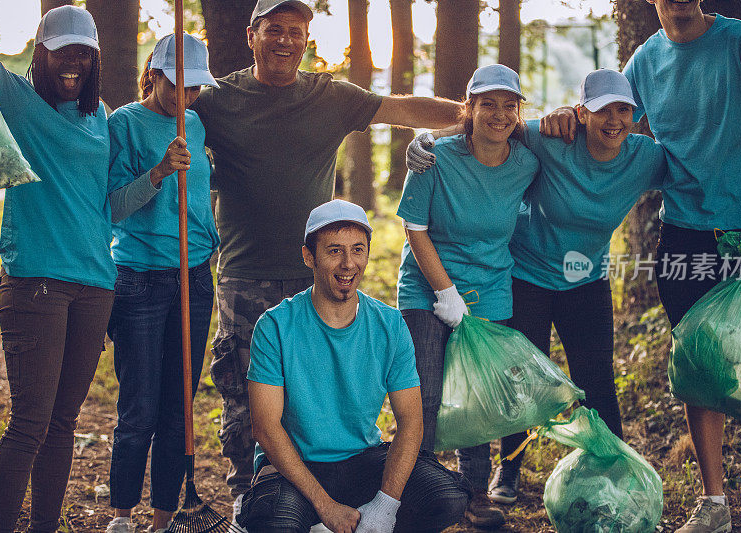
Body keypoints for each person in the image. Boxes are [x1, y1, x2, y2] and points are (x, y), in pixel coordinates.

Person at [190, 0, 465, 510]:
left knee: (315, 387)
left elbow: (399, 109)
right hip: (246, 276)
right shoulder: (217, 98)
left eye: (297, 31)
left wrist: (474, 117)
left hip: (316, 269)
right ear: (252, 35)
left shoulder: (328, 96)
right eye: (274, 29)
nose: (286, 40)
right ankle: (252, 494)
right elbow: (161, 119)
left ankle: (315, 489)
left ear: (307, 40)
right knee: (245, 390)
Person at [538, 2, 741, 531]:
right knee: (699, 368)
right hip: (683, 237)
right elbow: (607, 117)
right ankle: (715, 504)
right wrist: (561, 116)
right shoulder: (646, 59)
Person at [406, 68, 668, 506]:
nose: (614, 120)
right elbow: (486, 124)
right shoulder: (551, 138)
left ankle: (614, 471)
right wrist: (428, 137)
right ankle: (507, 473)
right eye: (603, 109)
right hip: (525, 274)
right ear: (582, 113)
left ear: (636, 115)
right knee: (517, 380)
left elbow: (696, 173)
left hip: (586, 280)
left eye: (624, 110)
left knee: (598, 379)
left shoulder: (645, 157)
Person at [239, 199, 471, 533]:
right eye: (334, 251)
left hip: (362, 460)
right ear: (309, 256)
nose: (349, 263)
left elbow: (411, 422)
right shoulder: (275, 325)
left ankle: (365, 524)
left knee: (447, 497)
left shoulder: (389, 324)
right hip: (294, 465)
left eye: (358, 250)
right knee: (275, 522)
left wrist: (385, 506)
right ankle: (321, 523)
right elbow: (266, 429)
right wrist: (326, 507)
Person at [0, 6, 116, 533]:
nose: (74, 62)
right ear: (41, 52)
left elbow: (103, 203)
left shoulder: (100, 115)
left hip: (95, 286)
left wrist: (156, 176)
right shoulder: (18, 99)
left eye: (83, 52)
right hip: (36, 282)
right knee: (30, 425)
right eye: (63, 50)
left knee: (64, 424)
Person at [397, 64, 539, 529]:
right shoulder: (435, 156)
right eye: (487, 103)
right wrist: (445, 293)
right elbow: (414, 228)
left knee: (476, 397)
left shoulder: (526, 161)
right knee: (429, 394)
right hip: (426, 283)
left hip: (492, 288)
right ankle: (417, 489)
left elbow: (568, 134)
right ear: (469, 107)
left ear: (519, 112)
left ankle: (475, 492)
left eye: (508, 105)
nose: (498, 114)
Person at [103, 34, 219, 533]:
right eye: (179, 84)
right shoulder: (122, 124)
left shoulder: (193, 122)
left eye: (195, 87)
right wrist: (158, 172)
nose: (187, 96)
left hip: (194, 276)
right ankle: (122, 515)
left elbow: (196, 200)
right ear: (154, 74)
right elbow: (111, 207)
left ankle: (164, 516)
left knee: (180, 408)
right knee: (140, 408)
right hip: (141, 277)